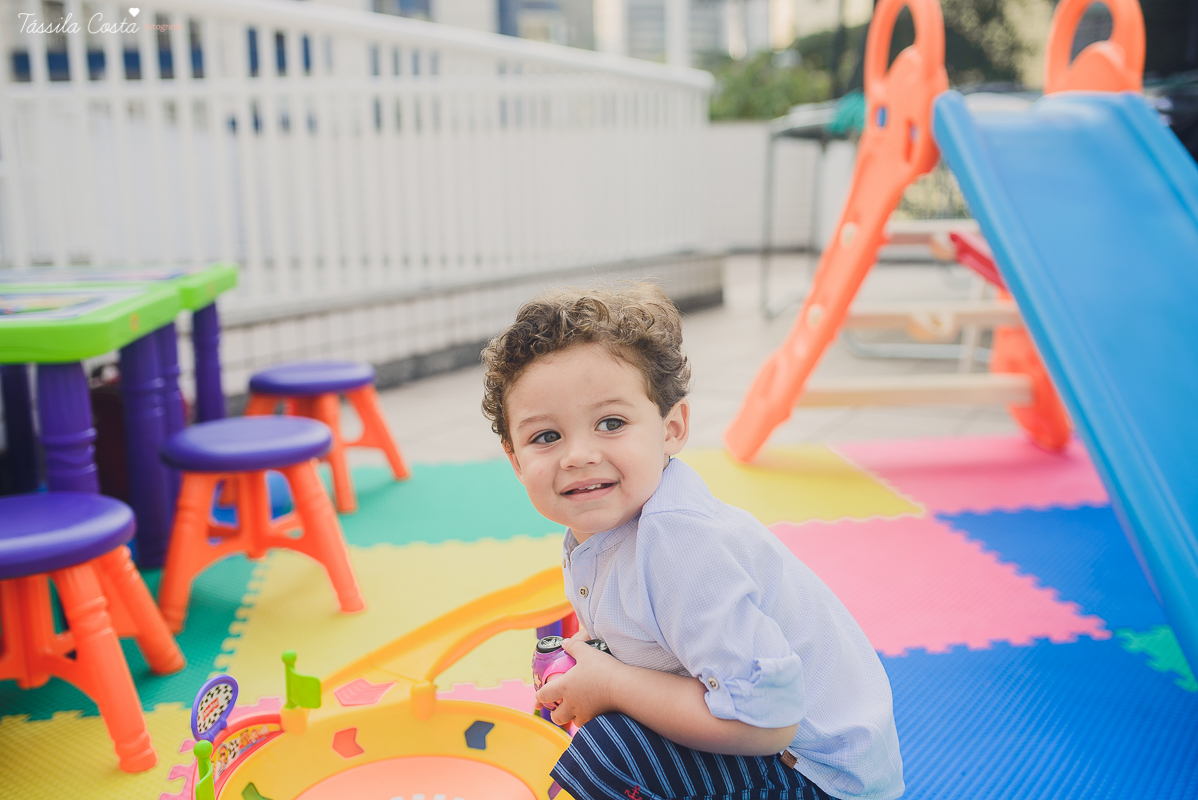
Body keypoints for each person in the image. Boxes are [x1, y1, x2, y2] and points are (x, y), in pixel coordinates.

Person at [481, 283, 903, 800]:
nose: (578, 456)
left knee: (610, 748)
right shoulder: (605, 527)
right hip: (771, 747)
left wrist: (612, 685)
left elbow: (770, 723)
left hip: (817, 778)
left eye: (610, 423)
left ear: (671, 428)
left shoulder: (683, 549)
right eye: (547, 437)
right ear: (515, 459)